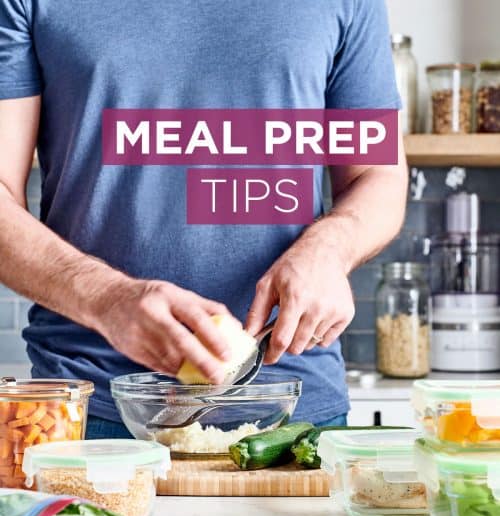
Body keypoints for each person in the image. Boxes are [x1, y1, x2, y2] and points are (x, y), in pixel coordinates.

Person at [0, 0, 407, 438]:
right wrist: (107, 297)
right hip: (89, 409)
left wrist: (330, 247)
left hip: (290, 409)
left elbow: (377, 174)